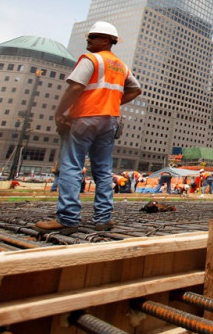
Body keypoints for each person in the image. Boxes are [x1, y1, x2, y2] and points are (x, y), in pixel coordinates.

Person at [35, 22, 141, 234]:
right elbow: (136, 89)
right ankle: (103, 219)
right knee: (103, 171)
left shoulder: (91, 59)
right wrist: (111, 103)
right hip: (108, 120)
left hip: (84, 117)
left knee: (71, 166)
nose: (88, 40)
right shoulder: (121, 66)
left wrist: (59, 113)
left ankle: (67, 218)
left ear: (106, 40)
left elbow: (76, 86)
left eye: (93, 37)